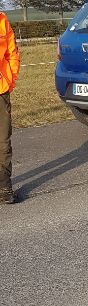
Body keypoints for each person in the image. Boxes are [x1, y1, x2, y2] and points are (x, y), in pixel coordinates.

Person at [0, 11, 21, 204]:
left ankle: (4, 187)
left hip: (1, 91)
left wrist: (10, 80)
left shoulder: (2, 20)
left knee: (3, 142)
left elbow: (12, 53)